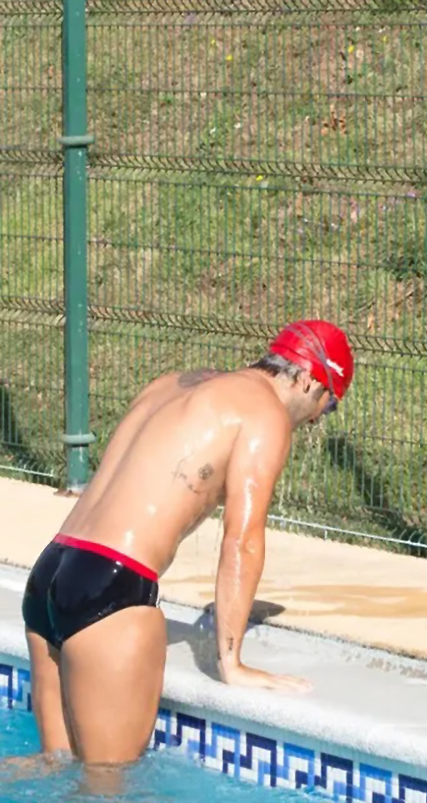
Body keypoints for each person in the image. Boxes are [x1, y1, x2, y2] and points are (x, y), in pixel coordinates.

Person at [20, 320, 354, 767]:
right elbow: (243, 537)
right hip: (111, 587)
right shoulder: (264, 413)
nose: (315, 421)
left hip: (50, 573)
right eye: (325, 407)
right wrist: (231, 662)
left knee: (52, 769)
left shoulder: (177, 384)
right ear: (310, 379)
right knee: (107, 787)